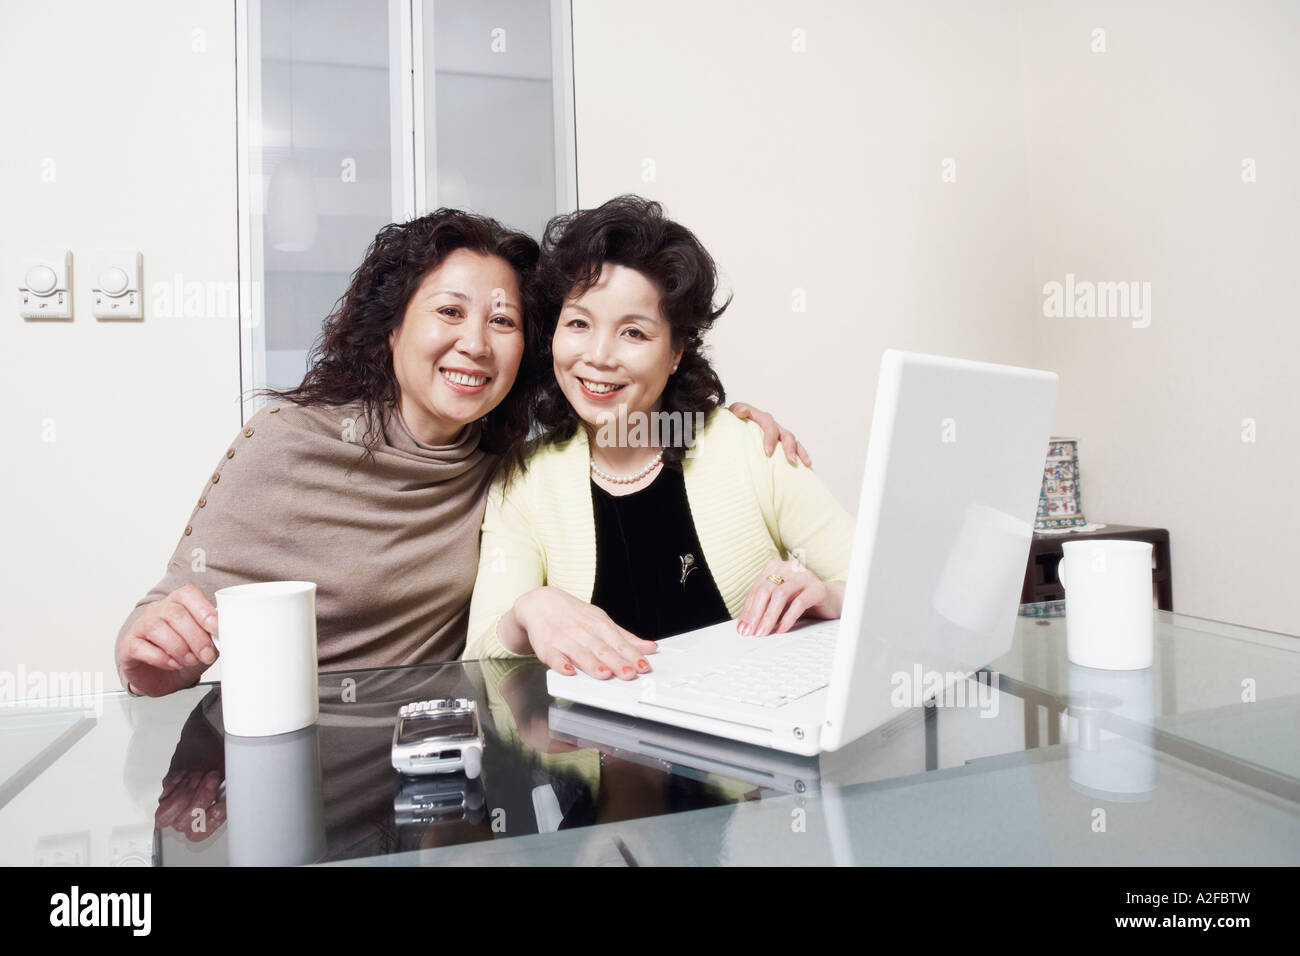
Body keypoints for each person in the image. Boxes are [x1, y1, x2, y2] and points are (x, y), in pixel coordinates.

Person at [115, 208, 805, 697]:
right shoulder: (288, 442)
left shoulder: (510, 468)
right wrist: (151, 652)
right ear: (390, 329)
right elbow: (162, 629)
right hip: (303, 755)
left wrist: (726, 428)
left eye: (501, 321)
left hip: (447, 764)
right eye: (449, 312)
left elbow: (628, 434)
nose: (475, 343)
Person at [464, 196, 854, 680]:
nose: (599, 356)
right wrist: (529, 610)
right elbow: (479, 657)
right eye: (579, 324)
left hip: (746, 748)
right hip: (593, 752)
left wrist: (827, 595)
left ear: (675, 353)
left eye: (633, 333)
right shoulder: (523, 481)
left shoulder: (750, 446)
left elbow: (878, 581)